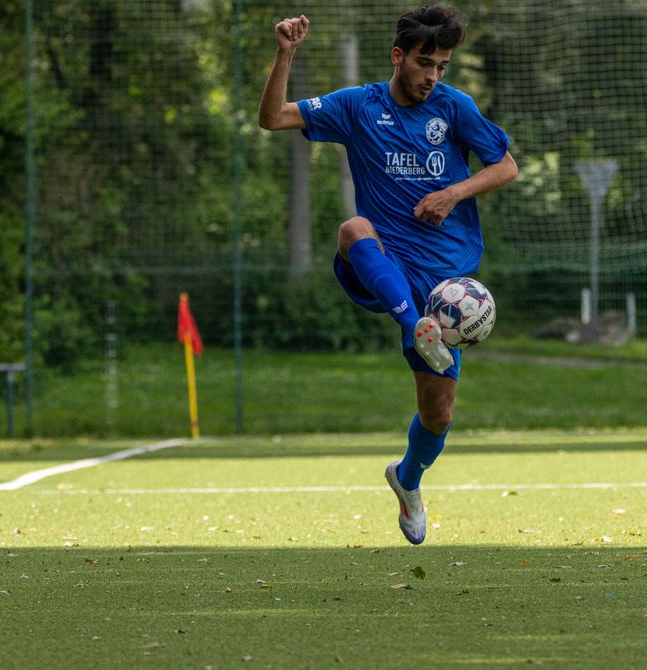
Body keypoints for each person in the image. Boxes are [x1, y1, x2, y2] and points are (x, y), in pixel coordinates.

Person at [258, 4, 517, 545]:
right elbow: (273, 118)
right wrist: (286, 54)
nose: (433, 76)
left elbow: (506, 166)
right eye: (425, 63)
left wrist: (453, 192)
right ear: (398, 57)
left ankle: (407, 480)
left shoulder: (455, 108)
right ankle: (412, 330)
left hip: (443, 285)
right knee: (353, 228)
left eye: (442, 65)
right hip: (384, 264)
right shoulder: (358, 106)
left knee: (438, 416)